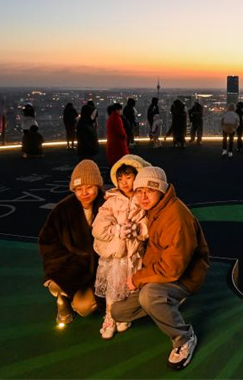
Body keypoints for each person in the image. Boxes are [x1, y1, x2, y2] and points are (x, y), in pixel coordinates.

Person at [110, 167, 210, 371]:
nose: (143, 196)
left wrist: (138, 278)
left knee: (149, 295)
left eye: (150, 190)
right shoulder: (154, 210)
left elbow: (172, 268)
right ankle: (167, 304)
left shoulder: (175, 216)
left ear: (162, 191)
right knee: (119, 312)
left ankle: (184, 337)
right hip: (160, 271)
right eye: (139, 191)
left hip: (183, 277)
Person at [39, 160, 106, 326]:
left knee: (84, 307)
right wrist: (60, 266)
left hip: (101, 269)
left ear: (97, 186)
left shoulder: (109, 205)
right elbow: (48, 242)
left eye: (89, 187)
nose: (84, 193)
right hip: (73, 266)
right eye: (79, 189)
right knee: (55, 284)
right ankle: (64, 295)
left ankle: (68, 299)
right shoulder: (63, 209)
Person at [92, 155, 152, 339]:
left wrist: (136, 230)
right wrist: (117, 230)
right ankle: (110, 317)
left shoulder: (142, 199)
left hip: (133, 255)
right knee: (113, 288)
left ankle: (123, 315)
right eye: (120, 178)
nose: (124, 182)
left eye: (128, 177)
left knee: (129, 287)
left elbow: (148, 226)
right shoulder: (111, 200)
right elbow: (98, 227)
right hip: (114, 256)